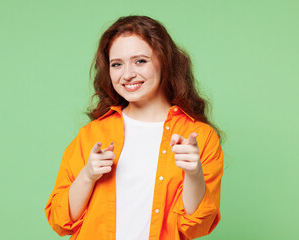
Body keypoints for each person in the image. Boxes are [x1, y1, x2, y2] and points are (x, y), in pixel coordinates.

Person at [45, 15, 224, 240]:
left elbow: (195, 227)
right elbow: (60, 221)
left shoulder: (199, 137)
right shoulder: (92, 135)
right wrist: (87, 175)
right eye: (117, 64)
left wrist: (194, 174)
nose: (127, 74)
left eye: (140, 61)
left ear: (164, 62)